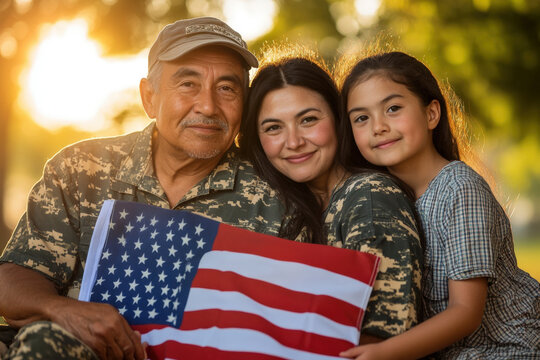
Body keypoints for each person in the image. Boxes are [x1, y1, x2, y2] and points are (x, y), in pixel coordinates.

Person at [0, 16, 287, 360]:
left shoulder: (274, 197)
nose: (209, 106)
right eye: (187, 84)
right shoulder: (80, 170)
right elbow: (14, 279)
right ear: (149, 97)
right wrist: (60, 310)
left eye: (227, 88)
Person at [339, 51, 540, 359]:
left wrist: (384, 353)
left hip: (506, 350)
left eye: (393, 108)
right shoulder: (383, 198)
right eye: (361, 118)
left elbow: (465, 312)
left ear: (432, 114)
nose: (377, 126)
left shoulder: (460, 188)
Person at [238, 53, 424, 345]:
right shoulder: (283, 208)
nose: (294, 141)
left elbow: (382, 336)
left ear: (339, 119)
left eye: (308, 120)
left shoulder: (370, 196)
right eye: (273, 127)